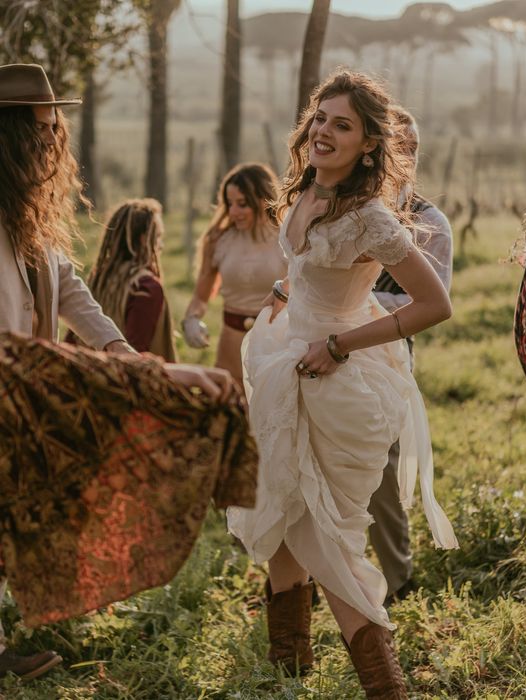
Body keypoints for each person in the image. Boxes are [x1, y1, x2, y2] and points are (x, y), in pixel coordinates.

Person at [226, 70, 457, 698]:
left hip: (333, 378)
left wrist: (337, 343)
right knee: (278, 510)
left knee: (326, 537)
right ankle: (287, 671)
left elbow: (434, 305)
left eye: (343, 125)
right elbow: (306, 267)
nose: (326, 131)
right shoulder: (303, 188)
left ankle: (388, 690)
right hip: (282, 359)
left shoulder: (371, 217)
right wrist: (287, 290)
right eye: (321, 118)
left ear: (368, 145)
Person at [0, 63, 232, 681]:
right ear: (11, 135)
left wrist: (130, 359)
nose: (55, 143)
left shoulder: (27, 214)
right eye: (44, 129)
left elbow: (69, 289)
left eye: (57, 129)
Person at [368, 105, 453, 604]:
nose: (406, 157)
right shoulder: (337, 207)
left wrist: (354, 305)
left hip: (390, 355)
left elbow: (432, 297)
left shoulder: (429, 220)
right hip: (319, 350)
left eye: (413, 148)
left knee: (382, 470)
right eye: (396, 146)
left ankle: (399, 582)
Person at [182, 163, 286, 389]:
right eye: (229, 204)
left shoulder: (288, 238)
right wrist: (191, 318)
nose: (233, 212)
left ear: (264, 200)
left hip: (277, 345)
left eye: (242, 204)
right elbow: (201, 295)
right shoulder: (218, 240)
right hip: (231, 348)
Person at [67, 198, 177, 361]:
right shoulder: (146, 287)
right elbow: (136, 350)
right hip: (127, 380)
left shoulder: (100, 278)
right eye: (158, 237)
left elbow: (72, 339)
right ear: (144, 239)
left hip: (89, 376)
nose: (161, 245)